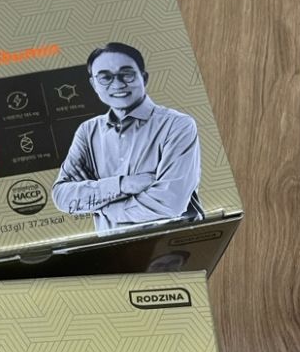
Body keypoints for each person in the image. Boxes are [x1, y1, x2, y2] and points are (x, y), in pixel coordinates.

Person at [52, 43, 204, 235]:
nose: (117, 84)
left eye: (127, 74)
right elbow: (62, 197)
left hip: (173, 242)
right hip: (111, 246)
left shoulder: (178, 125)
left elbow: (170, 202)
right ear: (93, 84)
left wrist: (102, 206)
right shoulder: (87, 131)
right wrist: (124, 184)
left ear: (144, 78)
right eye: (105, 77)